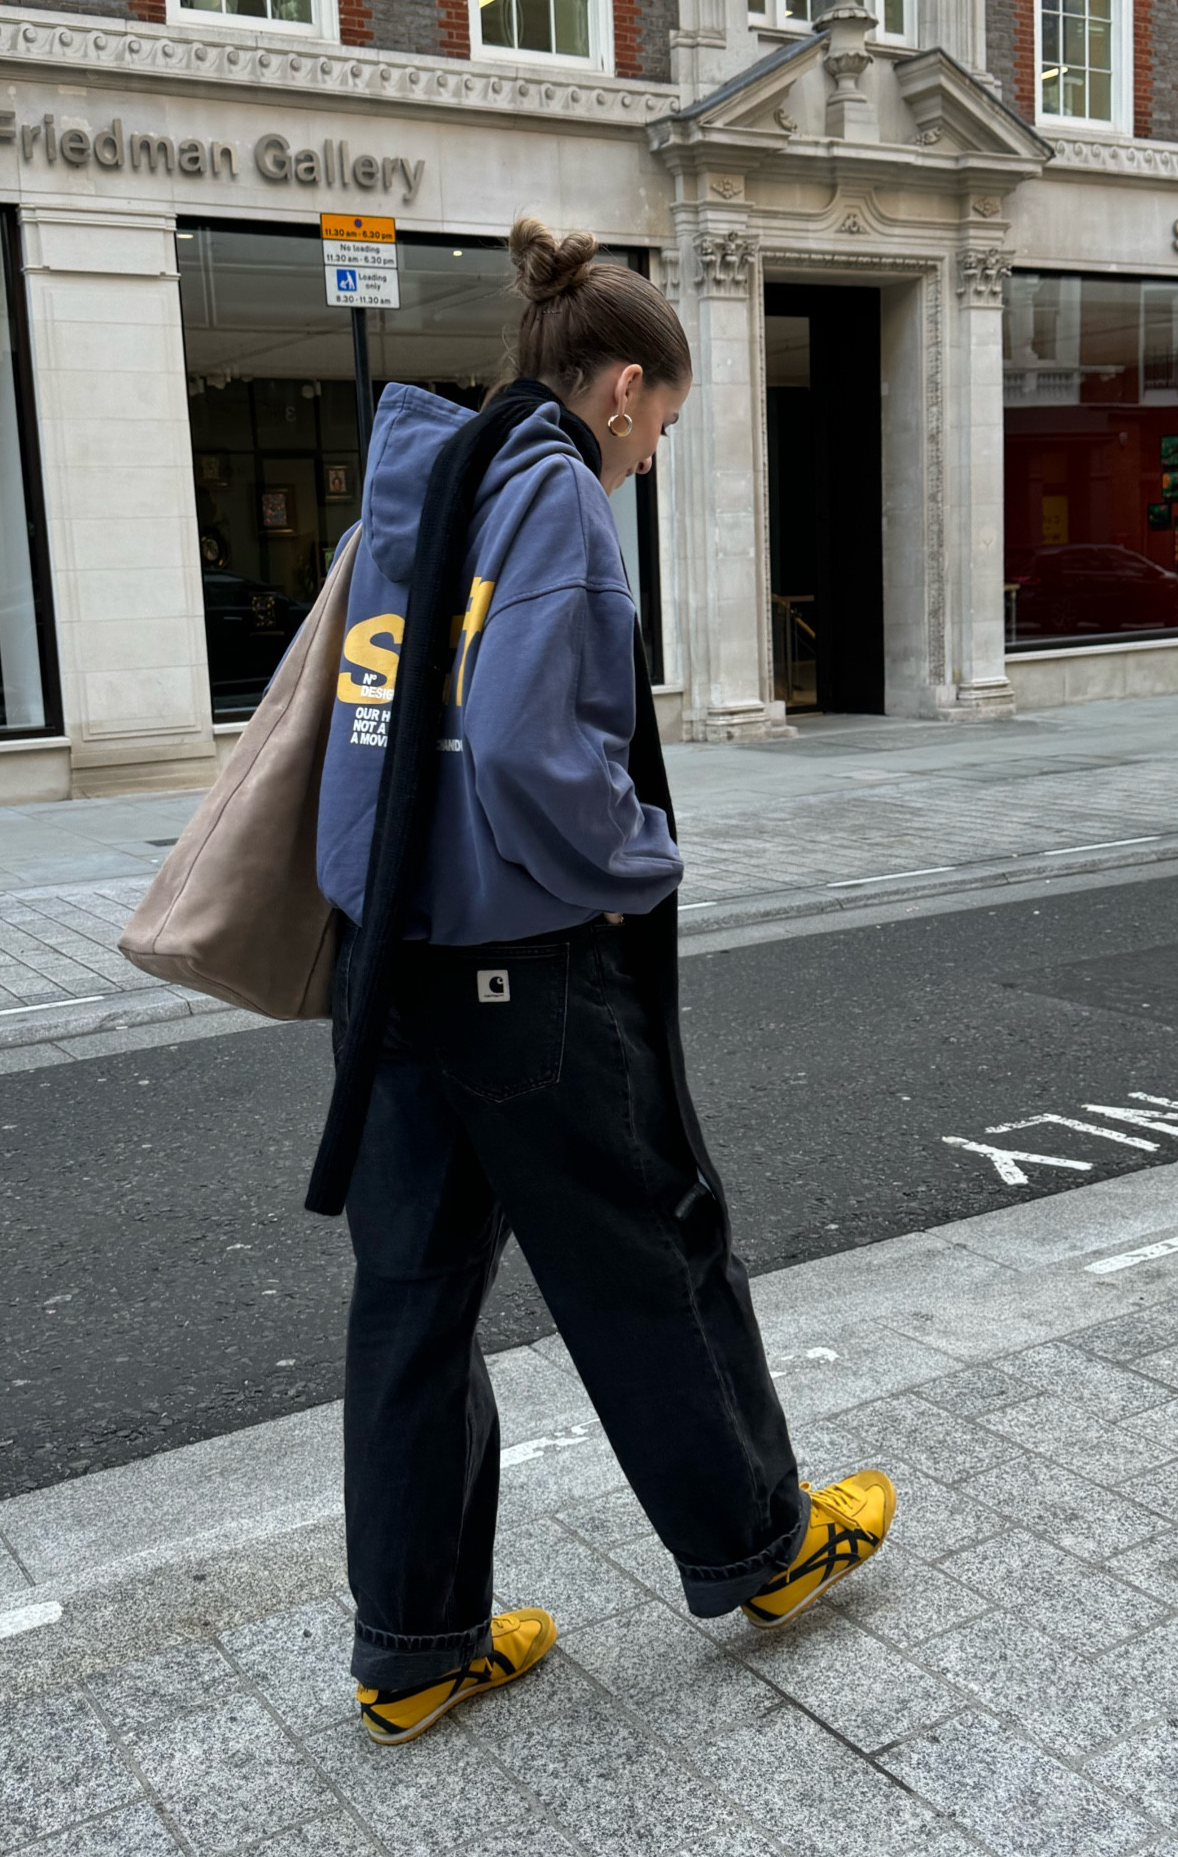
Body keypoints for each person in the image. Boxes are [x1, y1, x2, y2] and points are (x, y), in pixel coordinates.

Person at [313, 218, 896, 1746]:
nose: (648, 459)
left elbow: (376, 713)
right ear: (622, 389)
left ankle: (417, 1646)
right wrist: (641, 855)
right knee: (654, 1251)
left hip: (388, 965)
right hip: (522, 970)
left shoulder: (421, 488)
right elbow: (521, 749)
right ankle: (764, 1547)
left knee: (415, 1303)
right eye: (664, 429)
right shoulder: (556, 501)